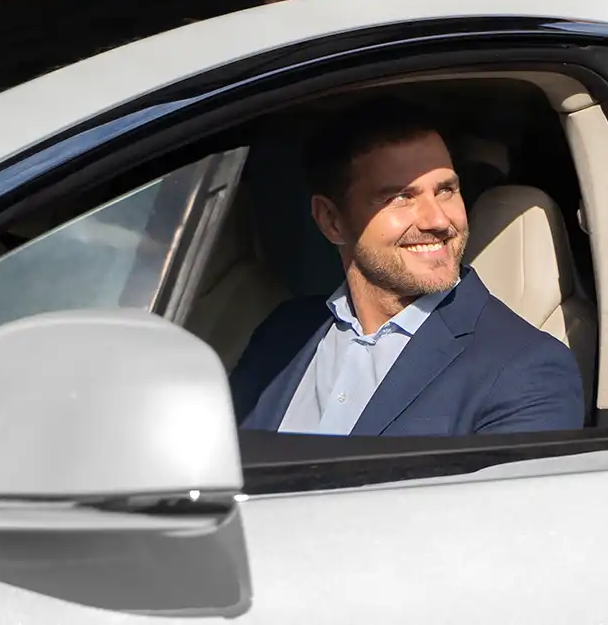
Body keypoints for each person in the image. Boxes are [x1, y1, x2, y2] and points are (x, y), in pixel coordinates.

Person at [230, 97, 585, 437]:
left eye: (446, 190)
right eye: (401, 197)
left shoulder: (527, 369)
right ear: (331, 220)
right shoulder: (283, 333)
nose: (438, 219)